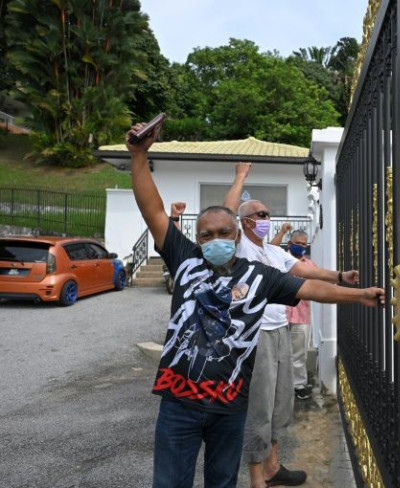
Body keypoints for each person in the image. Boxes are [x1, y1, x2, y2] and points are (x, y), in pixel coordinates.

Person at [125, 123, 384, 488]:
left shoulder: (260, 274)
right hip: (178, 405)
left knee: (222, 482)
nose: (216, 240)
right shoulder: (184, 259)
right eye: (206, 235)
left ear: (237, 235)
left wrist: (358, 294)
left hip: (229, 408)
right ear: (196, 239)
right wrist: (139, 155)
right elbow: (152, 210)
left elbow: (310, 287)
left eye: (224, 233)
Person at [222, 162, 360, 488]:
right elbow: (226, 214)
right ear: (244, 222)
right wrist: (240, 177)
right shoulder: (239, 249)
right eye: (260, 214)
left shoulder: (272, 251)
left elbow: (304, 271)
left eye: (268, 214)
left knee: (281, 402)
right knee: (259, 405)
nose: (266, 219)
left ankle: (273, 466)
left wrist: (340, 277)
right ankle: (257, 477)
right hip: (255, 336)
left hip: (279, 330)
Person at [285, 229, 314, 400]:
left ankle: (299, 385)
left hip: (301, 316)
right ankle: (282, 386)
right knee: (279, 354)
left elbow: (320, 283)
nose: (301, 247)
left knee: (299, 353)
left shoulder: (309, 266)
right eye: (298, 243)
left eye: (304, 244)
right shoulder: (279, 261)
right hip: (279, 316)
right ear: (290, 244)